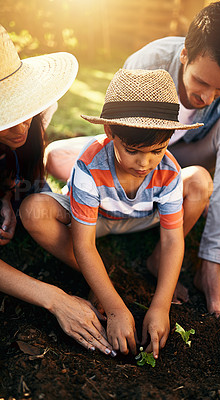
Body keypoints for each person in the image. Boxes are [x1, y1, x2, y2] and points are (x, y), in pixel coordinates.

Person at [45, 0, 220, 324]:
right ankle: (128, 205)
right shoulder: (149, 61)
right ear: (185, 55)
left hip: (185, 156)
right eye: (202, 82)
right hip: (129, 152)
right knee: (56, 155)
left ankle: (211, 267)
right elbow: (116, 130)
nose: (207, 97)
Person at [20, 68, 212, 358]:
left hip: (142, 217)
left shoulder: (168, 170)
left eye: (157, 150)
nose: (145, 163)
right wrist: (115, 307)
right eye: (133, 150)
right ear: (110, 132)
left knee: (199, 179)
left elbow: (173, 240)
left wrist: (160, 306)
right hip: (93, 221)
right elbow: (83, 243)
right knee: (33, 211)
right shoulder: (90, 164)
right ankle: (99, 274)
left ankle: (153, 263)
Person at [0, 24, 113, 356]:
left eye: (24, 110)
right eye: (7, 116)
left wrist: (6, 196)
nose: (22, 126)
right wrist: (57, 299)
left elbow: (25, 167)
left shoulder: (36, 116)